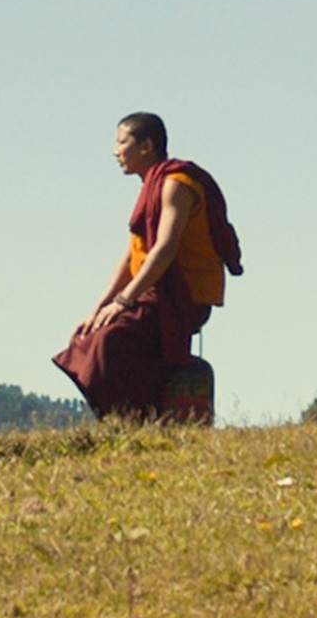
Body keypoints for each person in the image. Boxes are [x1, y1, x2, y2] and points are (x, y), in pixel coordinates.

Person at [56, 111, 240, 420]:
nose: (116, 152)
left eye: (121, 142)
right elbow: (132, 255)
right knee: (90, 335)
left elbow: (164, 249)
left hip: (182, 297)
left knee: (108, 343)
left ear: (146, 146)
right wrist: (99, 308)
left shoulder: (175, 184)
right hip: (152, 293)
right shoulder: (150, 187)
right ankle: (128, 420)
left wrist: (123, 301)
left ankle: (136, 418)